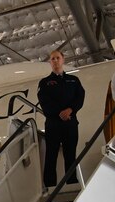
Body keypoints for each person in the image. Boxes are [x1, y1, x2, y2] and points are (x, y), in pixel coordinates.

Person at [37, 49, 85, 187]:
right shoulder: (45, 83)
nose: (55, 61)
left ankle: (71, 180)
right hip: (53, 124)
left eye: (57, 58)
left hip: (71, 123)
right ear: (50, 62)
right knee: (51, 154)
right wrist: (60, 113)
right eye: (52, 59)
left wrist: (70, 110)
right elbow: (45, 102)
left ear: (63, 60)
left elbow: (80, 98)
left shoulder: (74, 80)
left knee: (70, 153)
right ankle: (50, 183)